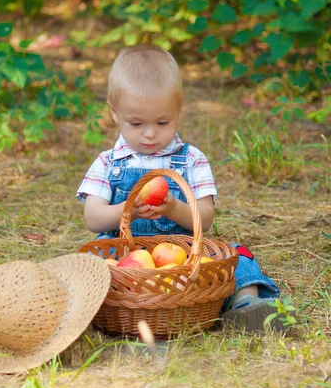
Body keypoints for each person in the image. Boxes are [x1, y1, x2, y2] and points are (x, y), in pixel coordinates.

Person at [77, 45, 282, 332]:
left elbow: (206, 217)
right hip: (124, 255)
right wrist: (129, 210)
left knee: (235, 254)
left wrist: (174, 207)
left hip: (184, 258)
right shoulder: (108, 163)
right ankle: (83, 312)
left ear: (178, 112)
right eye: (136, 123)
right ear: (114, 113)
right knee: (87, 262)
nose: (150, 133)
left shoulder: (191, 159)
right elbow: (93, 218)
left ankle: (247, 307)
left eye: (163, 122)